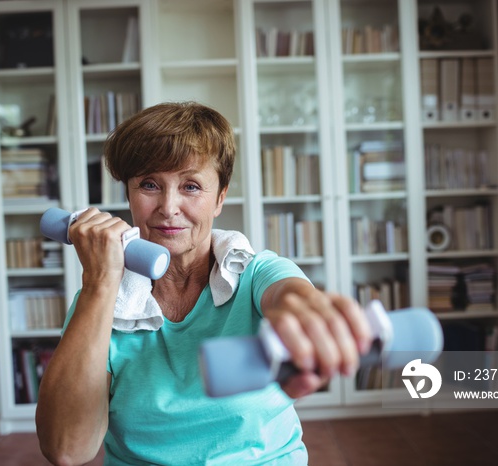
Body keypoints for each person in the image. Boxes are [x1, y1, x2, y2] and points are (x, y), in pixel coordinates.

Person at [35, 101, 372, 465]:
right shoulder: (99, 301)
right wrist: (100, 283)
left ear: (220, 198)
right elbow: (67, 449)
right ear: (129, 195)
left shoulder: (258, 274)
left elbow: (290, 295)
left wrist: (307, 314)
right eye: (149, 184)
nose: (168, 206)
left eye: (191, 186)